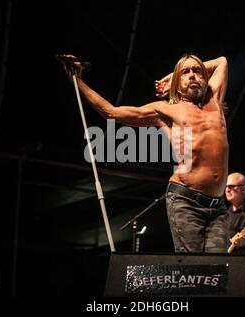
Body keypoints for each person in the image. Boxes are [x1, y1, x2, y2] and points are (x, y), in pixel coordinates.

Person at [60, 53, 229, 253]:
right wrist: (77, 81)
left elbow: (222, 61)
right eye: (185, 72)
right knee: (193, 271)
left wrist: (170, 76)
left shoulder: (215, 99)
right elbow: (111, 112)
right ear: (178, 83)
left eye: (197, 71)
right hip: (187, 202)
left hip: (218, 207)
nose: (192, 75)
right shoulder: (165, 110)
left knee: (219, 272)